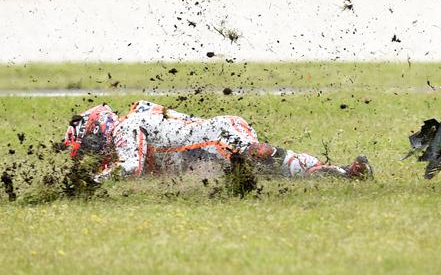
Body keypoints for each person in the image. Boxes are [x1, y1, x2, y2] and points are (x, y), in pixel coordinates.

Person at [64, 100, 372, 181]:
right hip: (207, 149)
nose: (93, 152)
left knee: (260, 158)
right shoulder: (135, 120)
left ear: (97, 129)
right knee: (275, 176)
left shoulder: (124, 128)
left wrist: (89, 182)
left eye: (89, 146)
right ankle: (343, 173)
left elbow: (129, 167)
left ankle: (341, 172)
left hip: (216, 138)